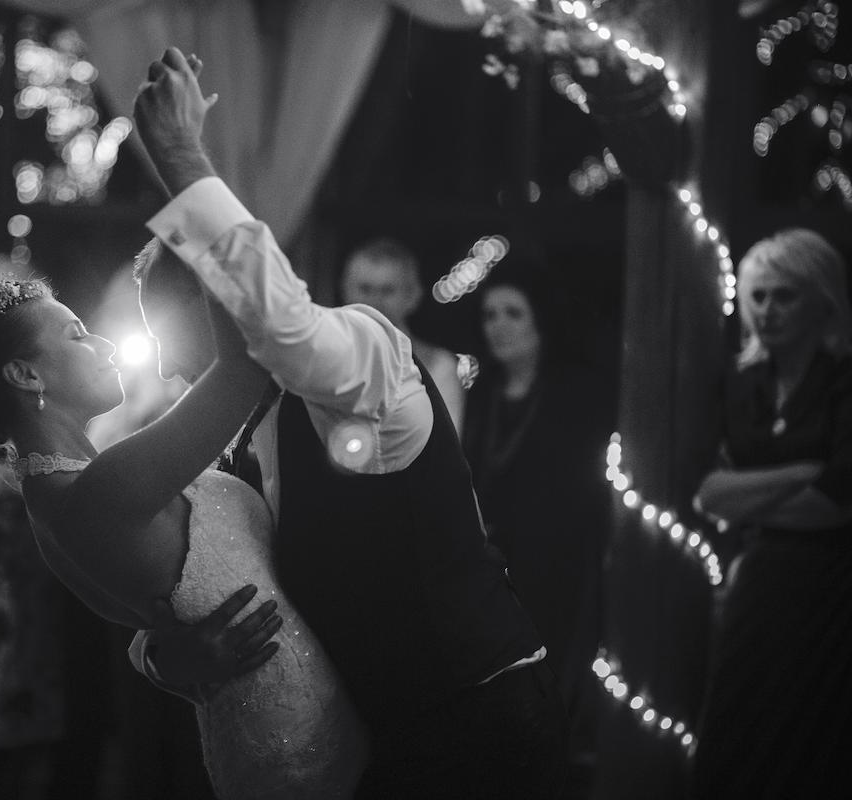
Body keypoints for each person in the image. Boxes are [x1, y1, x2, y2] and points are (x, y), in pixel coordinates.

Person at [130, 47, 568, 799]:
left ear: (229, 317)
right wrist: (165, 659)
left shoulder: (369, 352)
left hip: (480, 715)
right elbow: (166, 572)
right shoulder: (232, 444)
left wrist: (178, 152)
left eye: (183, 361)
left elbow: (284, 332)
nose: (176, 386)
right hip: (374, 736)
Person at [0, 265, 369, 799]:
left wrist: (156, 656)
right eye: (78, 335)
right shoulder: (102, 487)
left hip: (272, 720)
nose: (105, 344)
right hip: (295, 731)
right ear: (27, 376)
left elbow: (152, 610)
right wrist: (205, 233)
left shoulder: (56, 494)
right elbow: (243, 368)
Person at [691, 228, 852, 799]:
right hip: (756, 590)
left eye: (785, 295)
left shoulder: (842, 382)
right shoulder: (743, 382)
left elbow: (835, 508)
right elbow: (709, 494)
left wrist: (750, 496)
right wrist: (801, 471)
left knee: (815, 743)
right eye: (758, 296)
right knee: (738, 737)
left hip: (831, 589)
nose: (768, 310)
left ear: (823, 299)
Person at [460, 272, 612, 795]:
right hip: (491, 568)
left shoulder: (577, 396)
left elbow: (585, 494)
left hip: (556, 566)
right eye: (489, 314)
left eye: (513, 313)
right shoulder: (479, 396)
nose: (498, 326)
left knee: (550, 693)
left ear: (542, 322)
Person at [340, 238, 468, 433]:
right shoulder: (326, 355)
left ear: (412, 296)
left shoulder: (438, 367)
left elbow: (445, 447)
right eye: (365, 289)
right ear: (345, 291)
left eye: (387, 291)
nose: (374, 302)